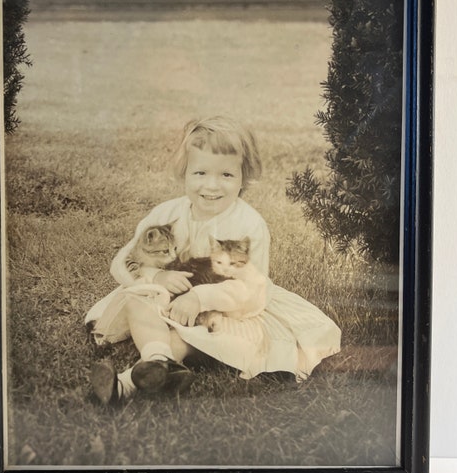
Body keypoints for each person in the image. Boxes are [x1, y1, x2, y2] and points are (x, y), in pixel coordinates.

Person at [85, 116, 341, 403]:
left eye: (227, 175)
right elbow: (122, 261)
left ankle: (129, 382)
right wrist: (155, 276)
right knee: (137, 299)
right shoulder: (167, 214)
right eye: (200, 173)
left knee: (193, 335)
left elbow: (251, 290)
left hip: (226, 307)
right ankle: (158, 358)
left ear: (244, 177)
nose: (212, 185)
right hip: (165, 296)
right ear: (184, 172)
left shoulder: (248, 224)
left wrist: (200, 298)